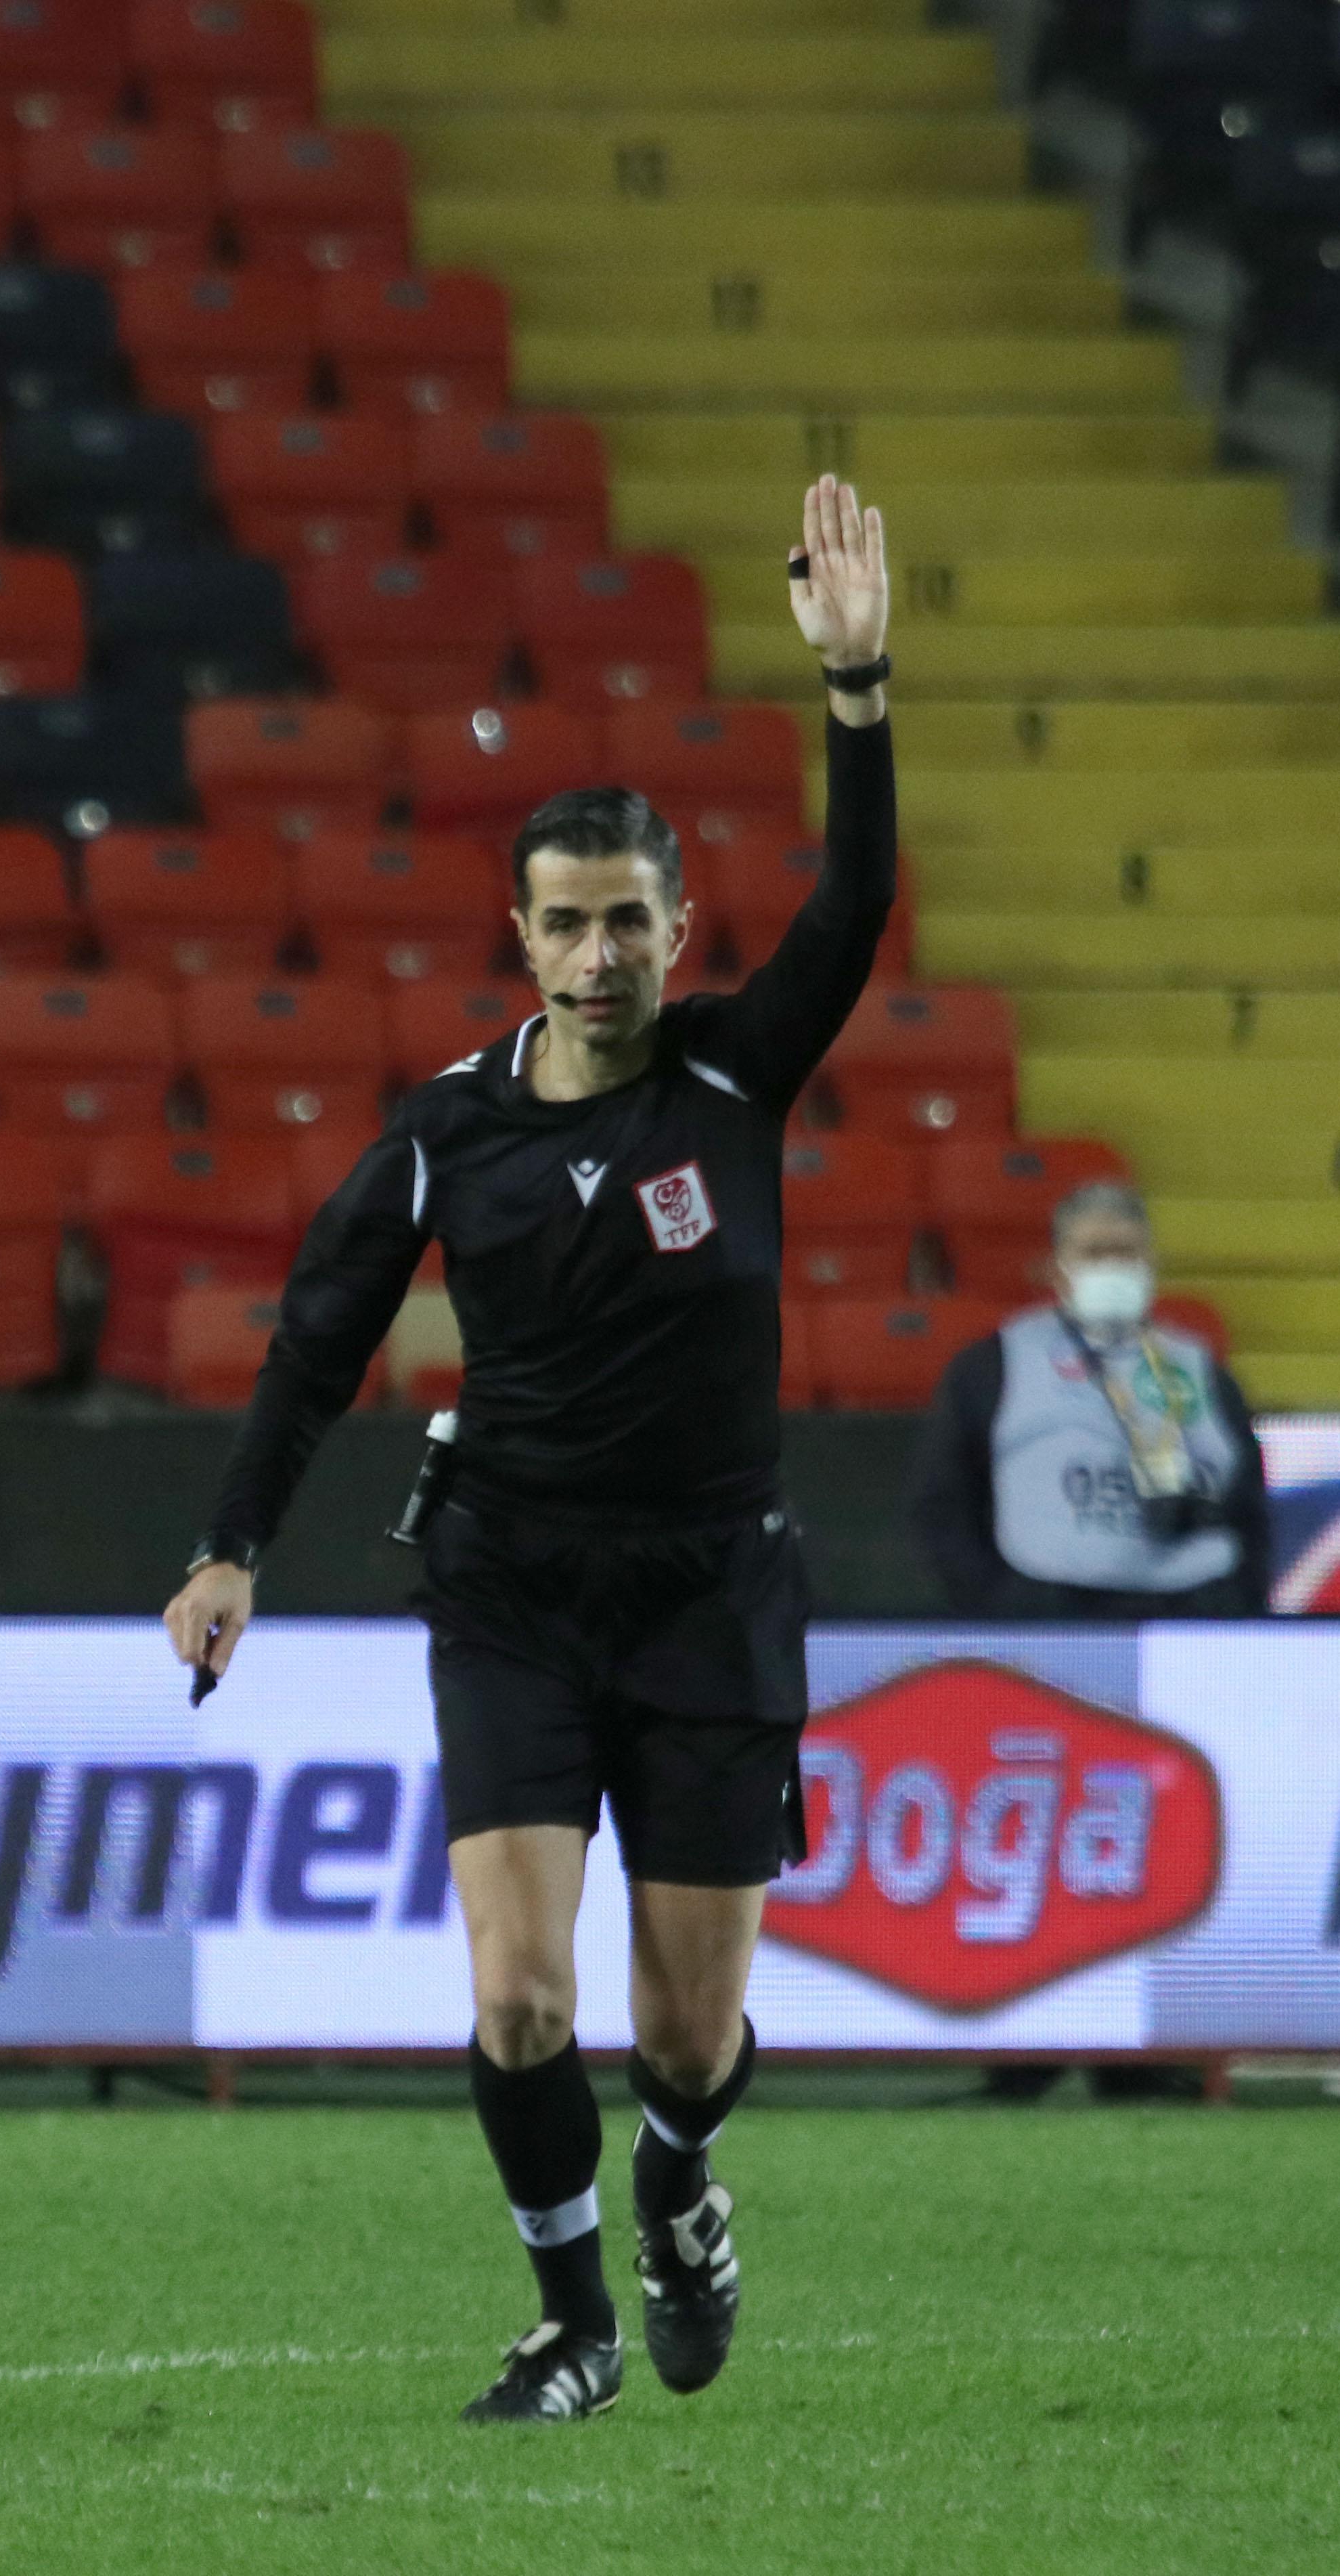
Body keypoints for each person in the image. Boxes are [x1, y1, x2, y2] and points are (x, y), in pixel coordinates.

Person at [165, 477, 896, 2425]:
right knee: (515, 1996)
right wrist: (231, 1542)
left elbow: (857, 910)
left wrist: (858, 692)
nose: (598, 955)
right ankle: (569, 2317)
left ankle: (675, 2187)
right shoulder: (440, 1132)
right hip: (505, 1583)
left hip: (711, 1585)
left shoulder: (736, 1074)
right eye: (565, 922)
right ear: (520, 932)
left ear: (676, 930)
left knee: (681, 2033)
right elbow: (318, 1338)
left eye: (629, 921)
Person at [909, 1179, 1269, 1620]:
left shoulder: (1199, 1368)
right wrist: (995, 1605)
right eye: (1094, 1253)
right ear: (1058, 1269)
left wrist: (1240, 1603)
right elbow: (942, 1498)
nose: (1112, 1266)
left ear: (1149, 1265)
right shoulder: (994, 1364)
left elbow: (1250, 1503)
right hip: (1049, 1609)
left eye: (1125, 1252)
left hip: (1189, 1608)